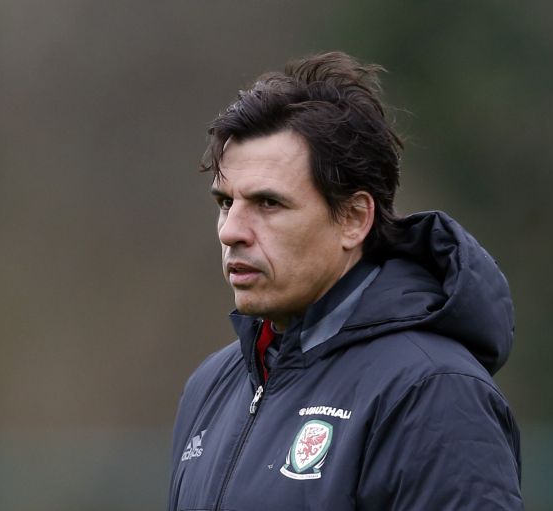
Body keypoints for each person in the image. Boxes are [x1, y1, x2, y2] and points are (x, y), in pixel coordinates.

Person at [168, 51, 523, 510]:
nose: (231, 230)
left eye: (269, 204)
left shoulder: (434, 392)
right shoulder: (211, 385)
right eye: (225, 203)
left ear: (354, 219)